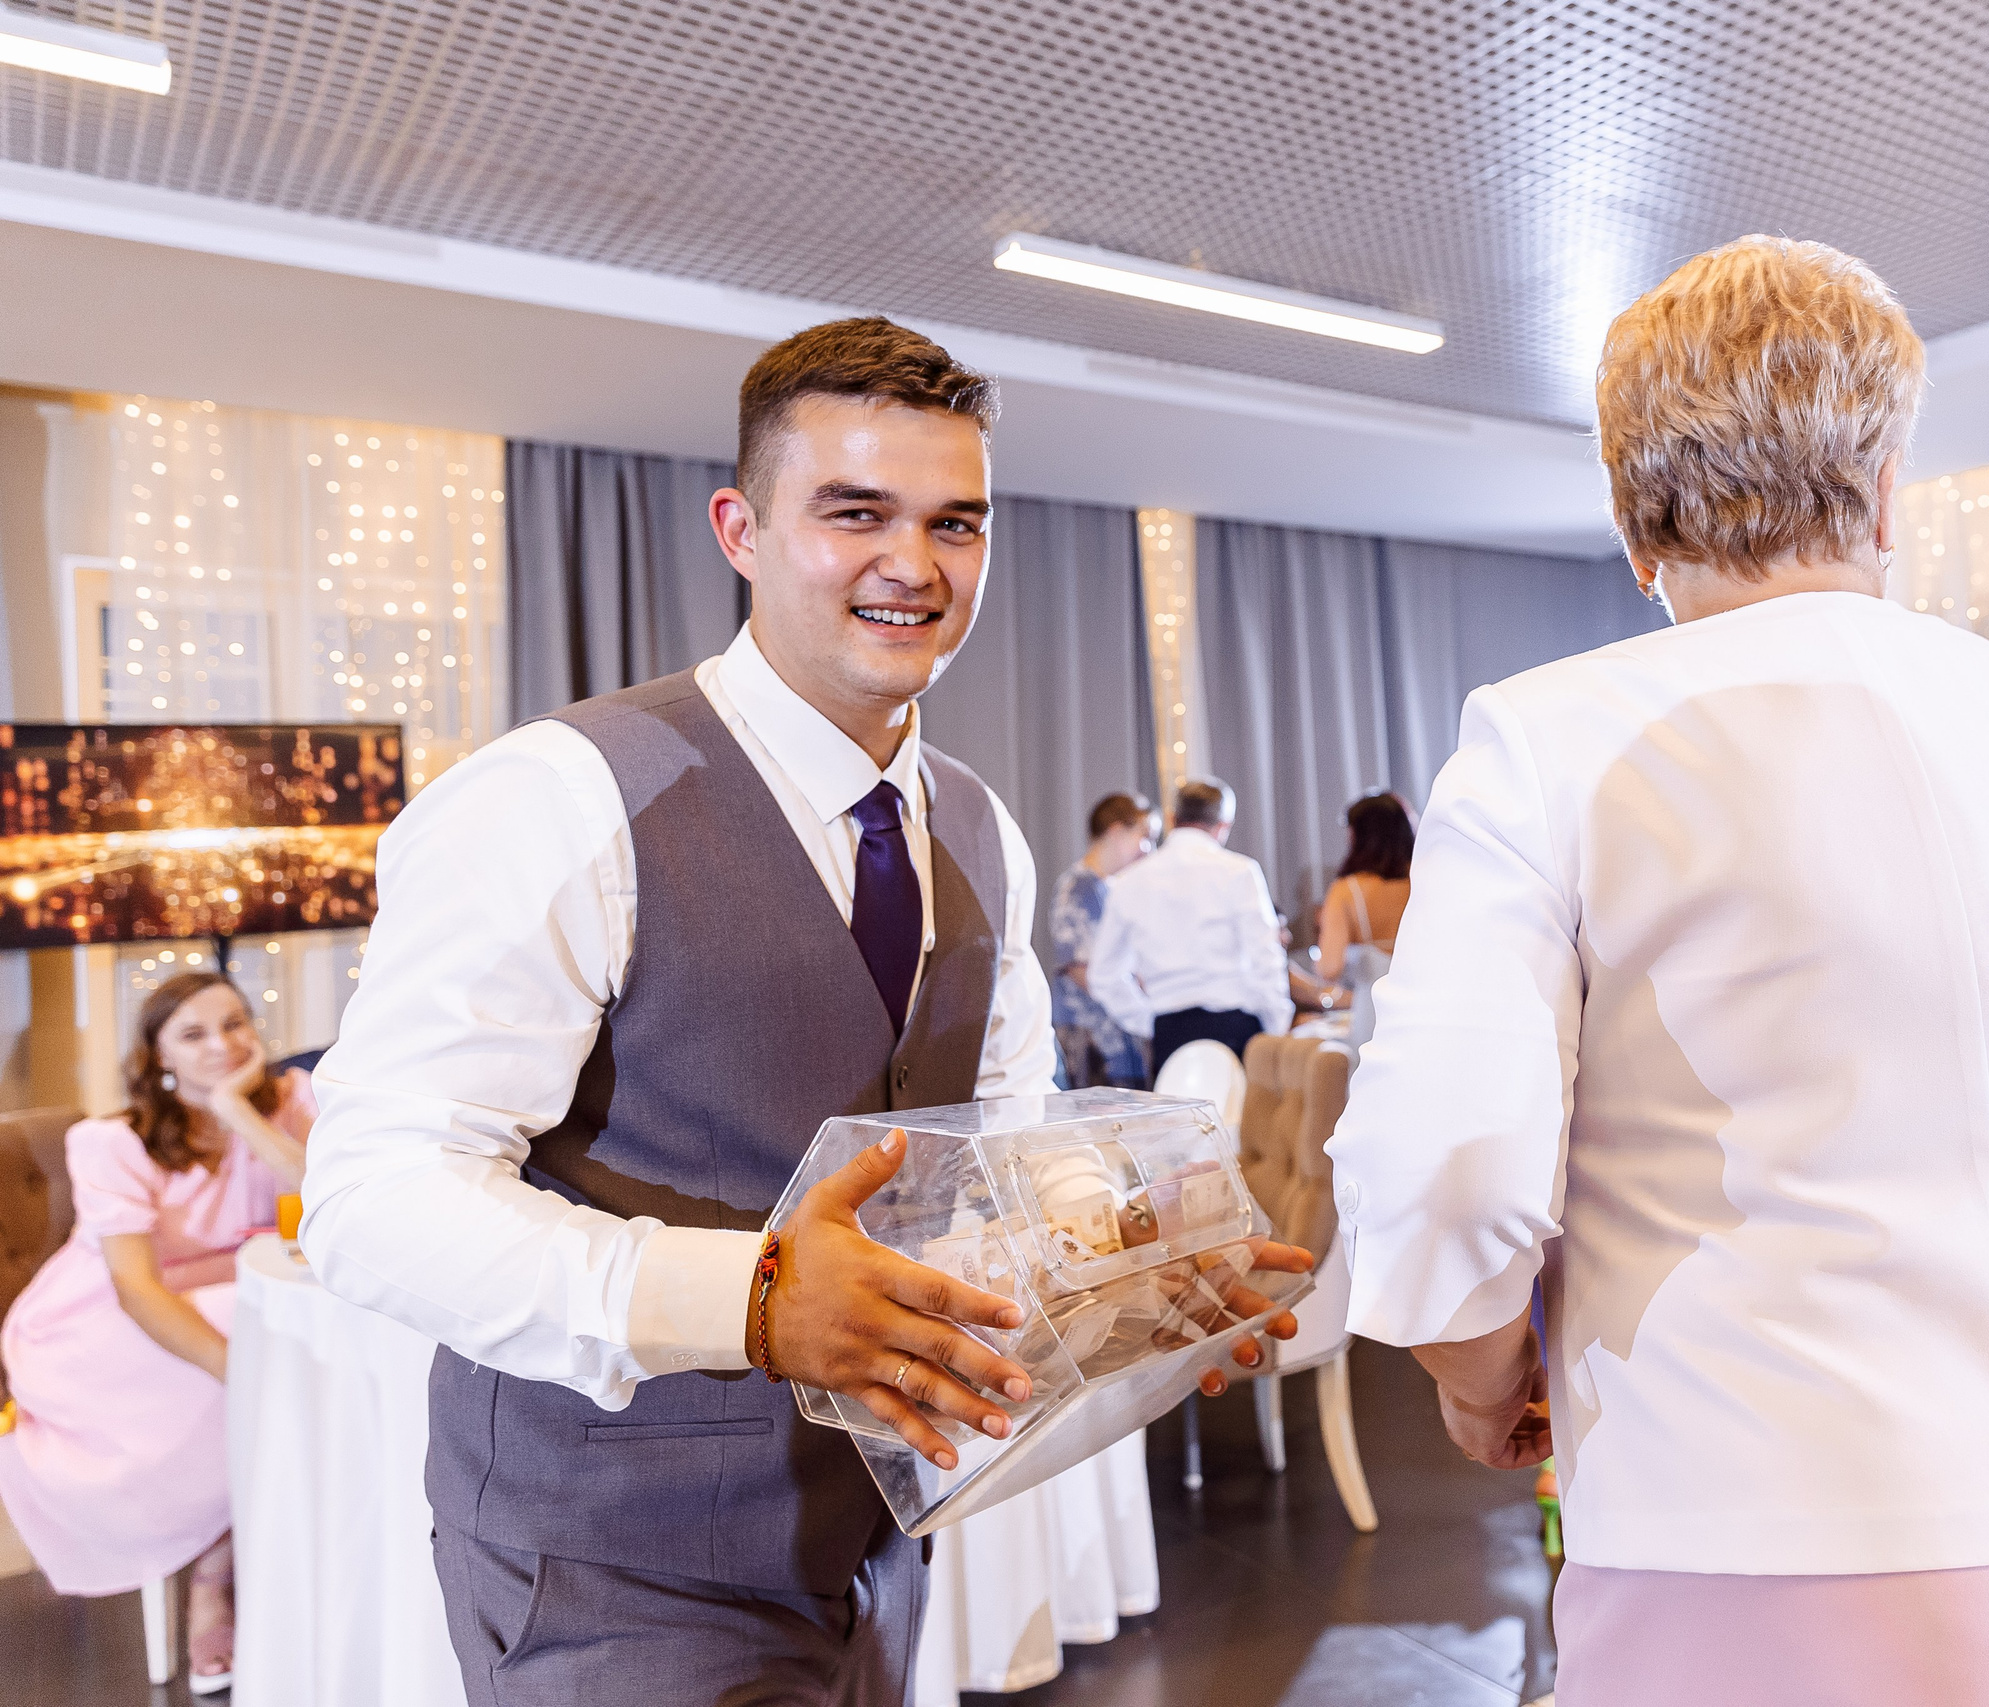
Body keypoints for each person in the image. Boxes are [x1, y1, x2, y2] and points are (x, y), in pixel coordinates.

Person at [1326, 236, 1989, 1707]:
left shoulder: (1550, 737)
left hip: (1774, 1527)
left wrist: (1480, 1380)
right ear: (1890, 484)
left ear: (1627, 510)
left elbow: (1455, 1165)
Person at [300, 318, 1303, 1706]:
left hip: (871, 1546)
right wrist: (757, 1299)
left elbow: (998, 1155)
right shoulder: (556, 796)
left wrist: (1123, 1275)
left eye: (958, 522)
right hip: (611, 1566)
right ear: (742, 528)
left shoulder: (979, 827)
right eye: (856, 513)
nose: (916, 563)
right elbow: (370, 1196)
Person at [0, 972, 313, 1694]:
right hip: (101, 1322)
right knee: (253, 1326)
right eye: (195, 1034)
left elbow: (329, 1202)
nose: (225, 1044)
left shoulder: (292, 1102)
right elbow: (136, 1288)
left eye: (235, 1023)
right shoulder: (110, 1141)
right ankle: (214, 1574)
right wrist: (242, 1373)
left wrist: (238, 1112)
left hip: (243, 1301)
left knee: (274, 1316)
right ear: (157, 1054)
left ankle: (285, 1564)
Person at [1087, 776, 1293, 1082]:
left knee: (1180, 1129)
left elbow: (1102, 976)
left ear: (1172, 819)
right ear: (1223, 825)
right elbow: (1266, 957)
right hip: (1238, 1027)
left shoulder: (1130, 881)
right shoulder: (1240, 872)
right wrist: (1276, 1025)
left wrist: (1147, 1021)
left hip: (1169, 1031)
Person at [1052, 792, 1157, 1087]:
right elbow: (1082, 970)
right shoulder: (1078, 887)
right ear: (1116, 831)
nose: (1148, 849)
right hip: (1091, 1039)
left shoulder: (1111, 889)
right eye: (1145, 835)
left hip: (1120, 1034)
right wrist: (1142, 1015)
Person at [1313, 790, 1412, 1054]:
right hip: (1428, 1001)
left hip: (1376, 1011)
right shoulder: (1427, 878)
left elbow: (1329, 967)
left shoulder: (1347, 890)